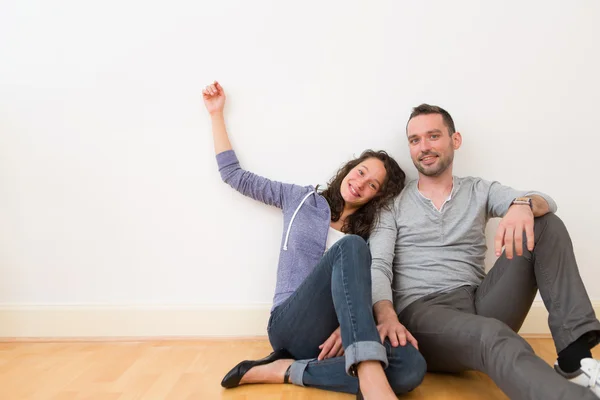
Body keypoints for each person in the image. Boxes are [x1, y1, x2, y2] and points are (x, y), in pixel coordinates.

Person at [202, 81, 426, 399]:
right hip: (290, 324)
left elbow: (369, 284)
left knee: (411, 366)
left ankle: (287, 370)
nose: (361, 183)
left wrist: (346, 328)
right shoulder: (300, 199)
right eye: (361, 172)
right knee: (350, 247)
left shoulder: (371, 229)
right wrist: (216, 114)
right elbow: (234, 175)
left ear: (378, 196)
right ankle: (369, 373)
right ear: (349, 168)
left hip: (339, 335)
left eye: (373, 184)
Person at [368, 103, 600, 400]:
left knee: (545, 224)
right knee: (493, 337)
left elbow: (547, 201)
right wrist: (386, 315)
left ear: (455, 140)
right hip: (424, 312)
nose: (424, 147)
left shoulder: (478, 189)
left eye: (433, 136)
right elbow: (379, 265)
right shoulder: (392, 205)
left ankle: (573, 358)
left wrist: (523, 205)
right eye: (415, 140)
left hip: (480, 300)